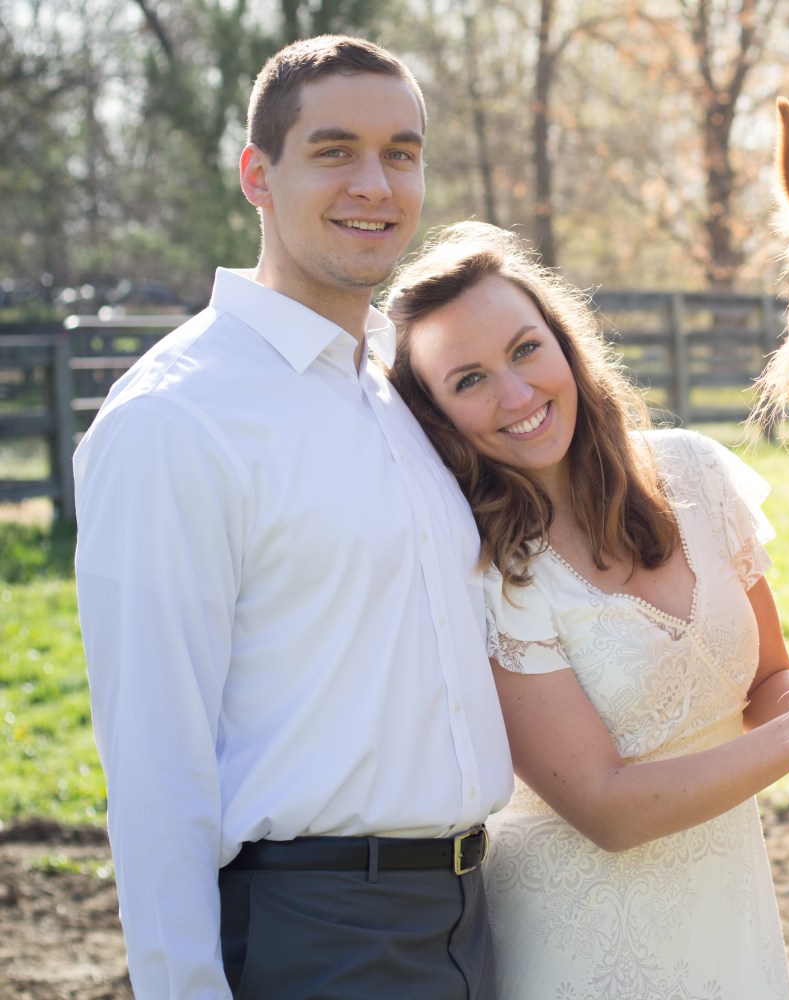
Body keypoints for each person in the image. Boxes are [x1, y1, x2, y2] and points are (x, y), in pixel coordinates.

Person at [73, 37, 513, 999]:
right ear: (257, 176)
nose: (375, 184)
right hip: (314, 935)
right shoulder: (176, 418)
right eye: (334, 150)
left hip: (475, 920)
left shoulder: (399, 392)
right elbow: (154, 765)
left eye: (401, 153)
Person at [384, 221, 789, 1000]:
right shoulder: (485, 571)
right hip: (580, 952)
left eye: (526, 349)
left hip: (731, 925)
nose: (517, 395)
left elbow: (767, 682)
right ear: (434, 416)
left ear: (564, 344)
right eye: (469, 381)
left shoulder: (695, 475)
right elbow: (608, 809)